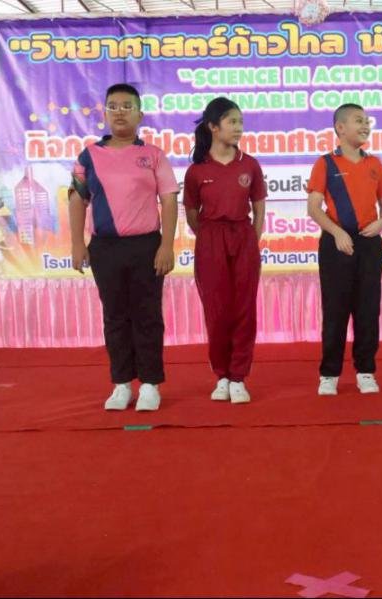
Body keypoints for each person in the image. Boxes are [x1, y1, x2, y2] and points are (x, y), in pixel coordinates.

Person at [69, 83, 179, 412]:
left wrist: (167, 245)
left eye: (127, 106)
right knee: (114, 316)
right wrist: (77, 244)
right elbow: (76, 199)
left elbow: (169, 200)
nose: (120, 112)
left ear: (139, 115)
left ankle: (149, 384)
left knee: (147, 315)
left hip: (147, 247)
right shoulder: (89, 156)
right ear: (104, 113)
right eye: (113, 106)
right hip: (105, 248)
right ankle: (121, 384)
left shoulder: (153, 155)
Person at [183, 97, 267, 404]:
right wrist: (209, 237)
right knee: (217, 310)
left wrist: (251, 239)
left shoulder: (250, 164)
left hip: (243, 237)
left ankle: (238, 377)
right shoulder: (197, 170)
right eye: (232, 122)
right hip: (211, 239)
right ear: (213, 127)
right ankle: (221, 376)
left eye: (240, 122)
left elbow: (259, 206)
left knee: (244, 309)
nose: (238, 128)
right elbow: (192, 213)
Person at [306, 103, 382, 396]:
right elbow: (313, 208)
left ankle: (365, 371)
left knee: (368, 309)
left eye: (367, 121)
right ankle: (329, 374)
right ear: (340, 128)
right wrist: (337, 232)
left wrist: (381, 222)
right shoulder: (325, 164)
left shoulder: (374, 164)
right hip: (336, 244)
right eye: (359, 120)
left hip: (369, 243)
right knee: (335, 310)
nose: (365, 125)